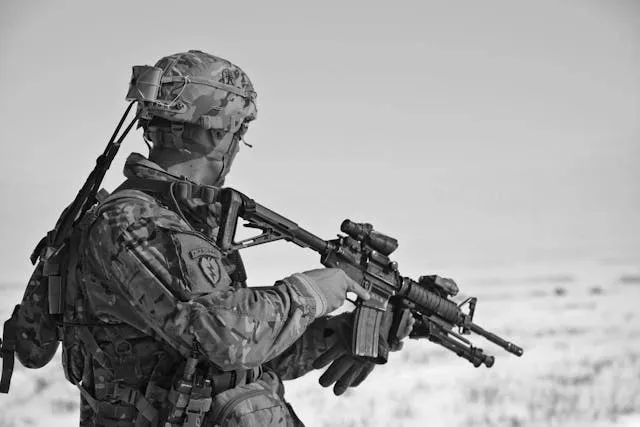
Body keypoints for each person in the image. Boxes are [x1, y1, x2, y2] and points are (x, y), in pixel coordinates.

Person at [11, 50, 409, 426]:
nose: (238, 145)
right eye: (240, 129)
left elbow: (235, 364)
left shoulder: (177, 223)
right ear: (213, 133)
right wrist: (312, 292)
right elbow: (224, 336)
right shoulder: (130, 222)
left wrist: (344, 333)